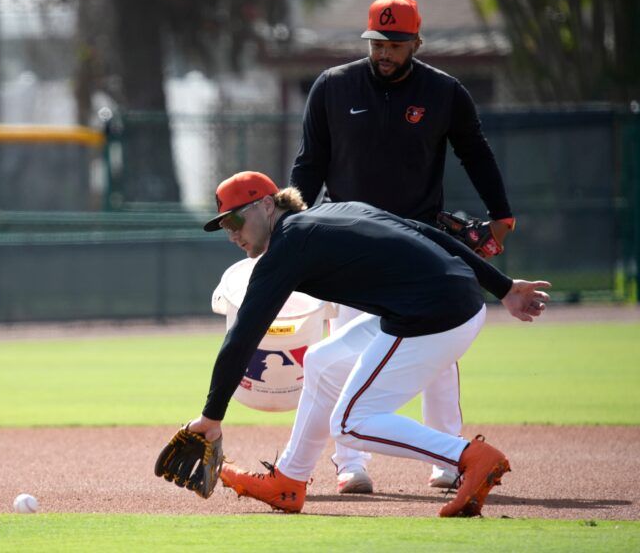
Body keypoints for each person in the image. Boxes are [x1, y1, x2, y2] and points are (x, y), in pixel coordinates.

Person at [187, 170, 549, 517]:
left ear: (267, 205)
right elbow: (425, 231)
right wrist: (502, 287)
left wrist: (211, 417)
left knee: (349, 423)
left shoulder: (288, 246)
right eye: (223, 227)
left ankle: (468, 456)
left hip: (436, 315)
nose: (231, 234)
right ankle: (289, 480)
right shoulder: (333, 211)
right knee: (323, 362)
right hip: (444, 301)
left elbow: (243, 335)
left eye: (234, 221)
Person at [289, 0, 517, 492]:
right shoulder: (332, 87)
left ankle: (447, 458)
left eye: (395, 43)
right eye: (377, 42)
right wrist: (293, 226)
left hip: (420, 243)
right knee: (343, 348)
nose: (385, 52)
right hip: (349, 241)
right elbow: (309, 165)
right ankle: (351, 465)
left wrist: (501, 214)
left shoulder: (443, 92)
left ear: (416, 41)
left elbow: (475, 153)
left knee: (435, 355)